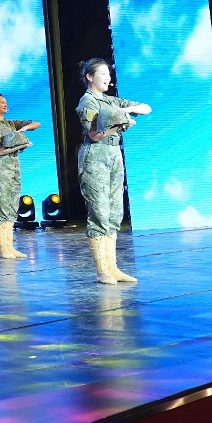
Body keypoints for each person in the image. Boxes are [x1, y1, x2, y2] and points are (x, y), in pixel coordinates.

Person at [76, 58, 151, 285]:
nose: (107, 78)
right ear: (90, 77)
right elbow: (94, 135)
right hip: (95, 155)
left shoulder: (110, 100)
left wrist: (121, 111)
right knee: (99, 212)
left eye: (108, 74)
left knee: (115, 212)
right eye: (102, 73)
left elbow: (146, 108)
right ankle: (102, 271)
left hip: (114, 155)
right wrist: (117, 122)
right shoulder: (87, 101)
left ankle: (113, 267)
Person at [0, 93, 41, 260]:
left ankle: (10, 246)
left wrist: (22, 131)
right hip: (1, 169)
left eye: (6, 102)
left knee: (12, 207)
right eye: (1, 102)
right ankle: (4, 248)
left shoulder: (10, 123)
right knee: (1, 207)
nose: (5, 104)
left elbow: (36, 123)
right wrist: (20, 145)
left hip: (13, 168)